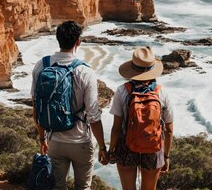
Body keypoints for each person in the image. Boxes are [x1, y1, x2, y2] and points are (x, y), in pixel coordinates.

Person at [31, 21, 108, 190]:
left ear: (57, 39)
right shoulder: (85, 72)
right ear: (78, 41)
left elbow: (36, 106)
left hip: (54, 140)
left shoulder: (42, 66)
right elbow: (93, 115)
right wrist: (102, 147)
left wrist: (42, 138)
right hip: (81, 141)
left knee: (58, 187)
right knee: (83, 188)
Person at [109, 46, 174, 190]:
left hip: (126, 147)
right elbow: (169, 130)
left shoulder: (122, 91)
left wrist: (111, 150)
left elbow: (116, 128)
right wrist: (166, 156)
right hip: (153, 148)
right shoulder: (161, 92)